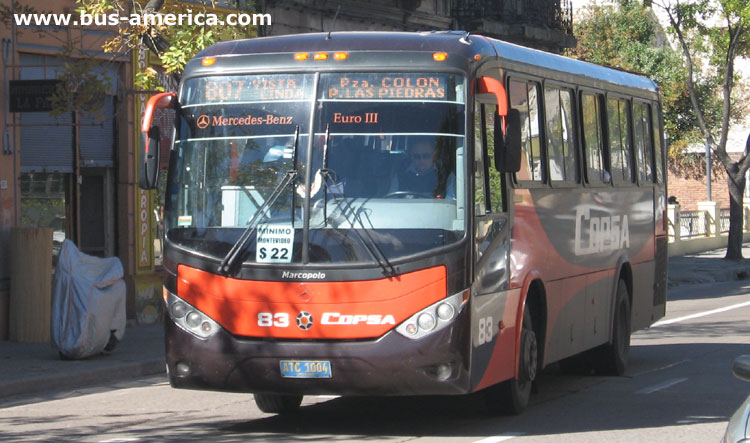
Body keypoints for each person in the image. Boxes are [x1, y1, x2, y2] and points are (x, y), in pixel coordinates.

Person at [389, 138, 455, 199]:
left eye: (426, 156)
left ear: (434, 156)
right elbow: (391, 201)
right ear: (411, 157)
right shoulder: (400, 175)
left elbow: (450, 201)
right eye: (417, 156)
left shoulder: (446, 175)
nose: (421, 160)